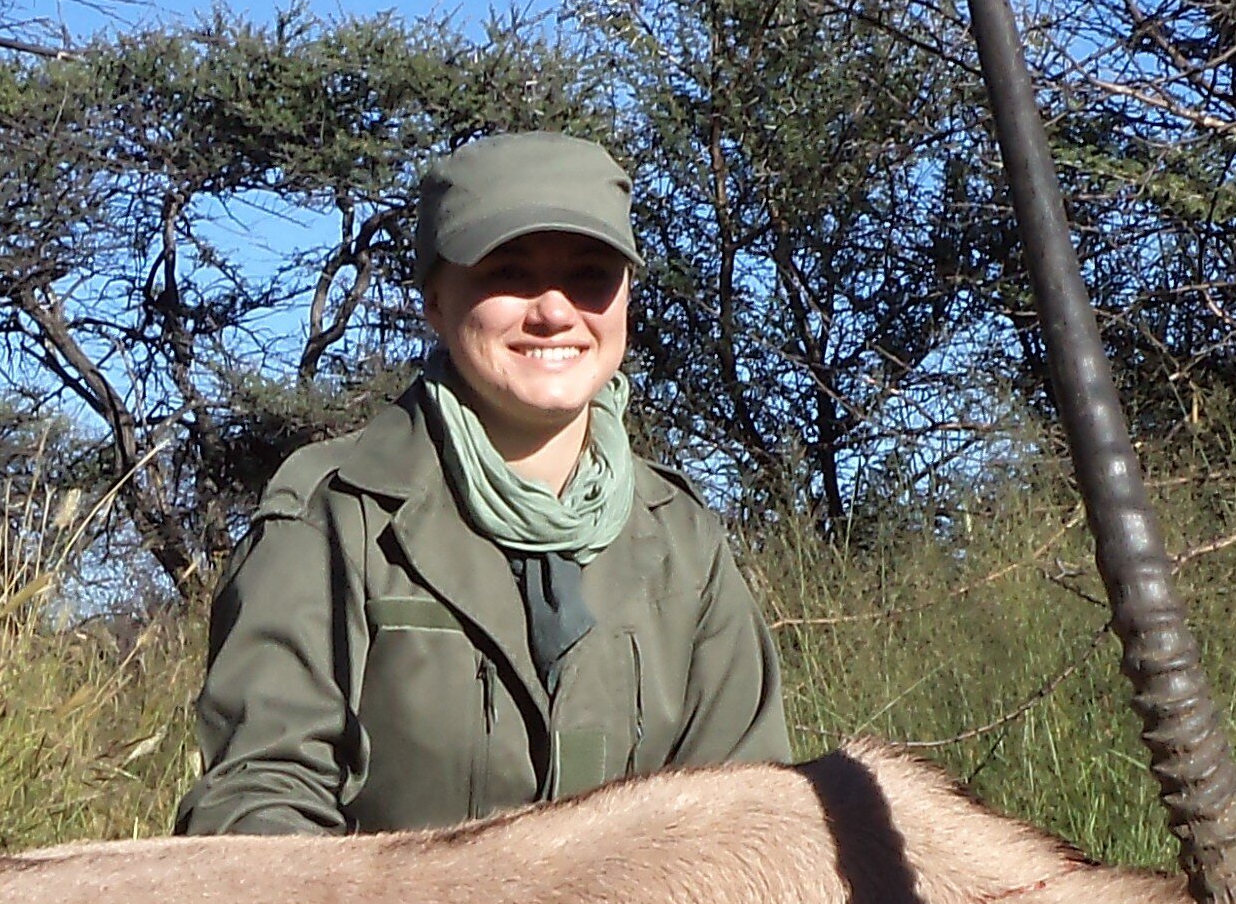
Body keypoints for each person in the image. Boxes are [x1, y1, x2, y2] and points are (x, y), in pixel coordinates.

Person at [175, 131, 789, 835]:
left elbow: (748, 829)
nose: (554, 311)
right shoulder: (332, 514)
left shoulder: (685, 541)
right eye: (509, 272)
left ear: (625, 301)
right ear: (434, 299)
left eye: (591, 275)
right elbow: (255, 809)